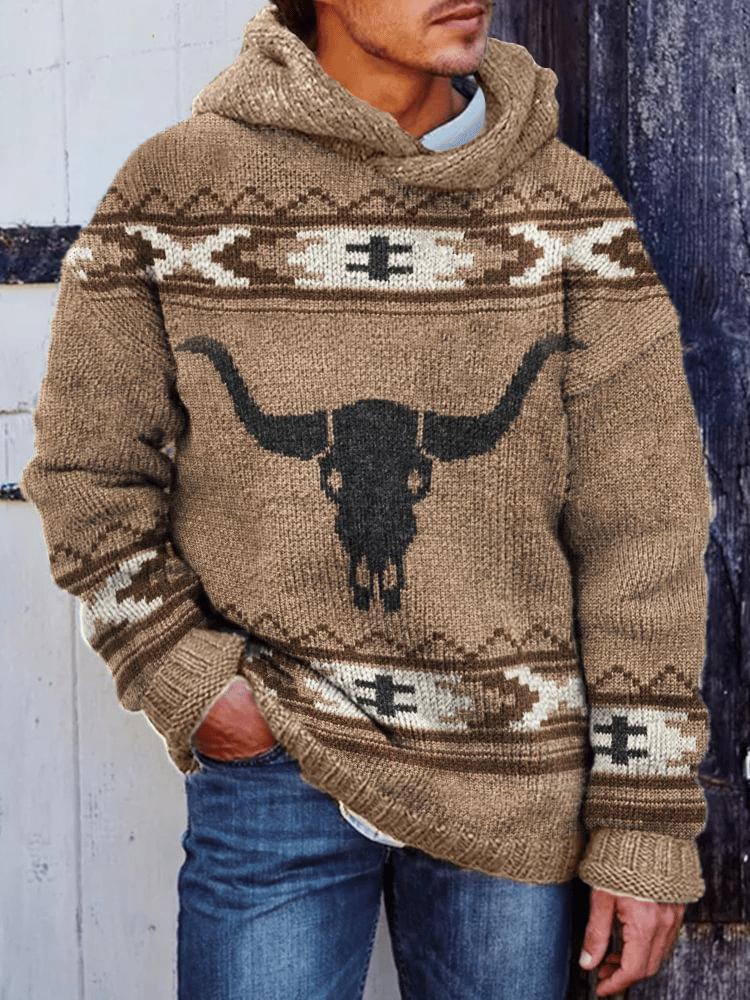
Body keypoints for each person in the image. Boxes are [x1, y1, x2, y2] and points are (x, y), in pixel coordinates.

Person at [22, 1, 712, 997]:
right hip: (277, 768)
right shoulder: (173, 190)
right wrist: (187, 676)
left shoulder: (570, 210)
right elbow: (85, 469)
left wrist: (644, 814)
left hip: (515, 787)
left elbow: (643, 528)